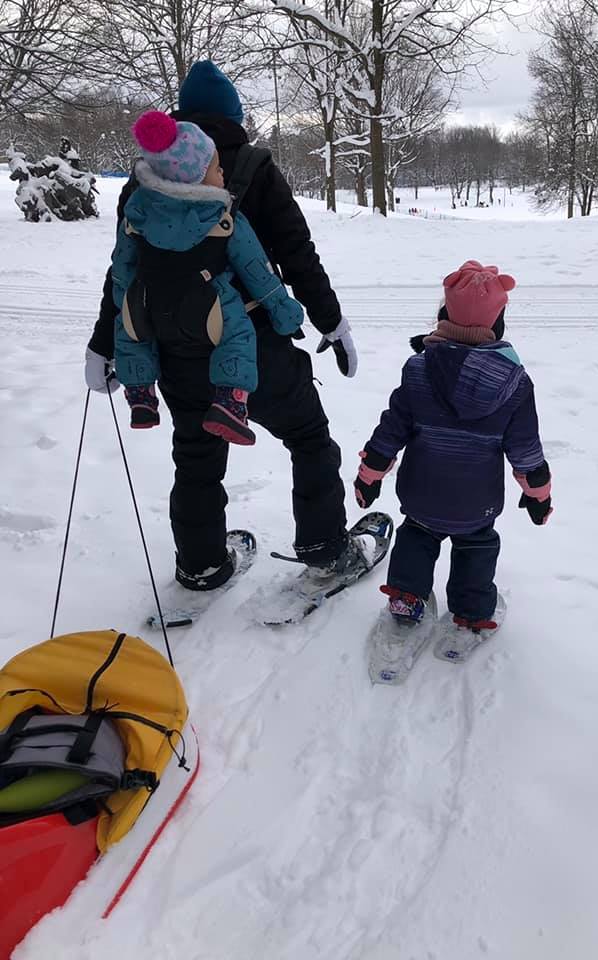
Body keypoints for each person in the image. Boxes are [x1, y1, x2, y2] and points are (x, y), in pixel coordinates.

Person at [86, 61, 358, 591]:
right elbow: (296, 256)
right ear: (234, 117)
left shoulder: (144, 182)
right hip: (257, 351)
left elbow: (123, 274)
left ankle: (201, 562)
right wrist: (331, 322)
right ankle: (326, 549)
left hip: (176, 353)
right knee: (307, 437)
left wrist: (104, 344)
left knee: (195, 457)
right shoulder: (255, 168)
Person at [354, 260, 552, 644]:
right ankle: (473, 613)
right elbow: (527, 452)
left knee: (416, 537)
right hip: (476, 503)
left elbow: (389, 432)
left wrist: (369, 476)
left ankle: (407, 600)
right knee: (477, 547)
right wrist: (538, 496)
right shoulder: (515, 385)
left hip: (421, 494)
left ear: (444, 315)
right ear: (498, 326)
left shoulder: (418, 370)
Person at [113, 110, 304, 445]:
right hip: (209, 308)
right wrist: (283, 311)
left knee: (130, 334)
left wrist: (123, 302)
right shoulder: (223, 217)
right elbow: (257, 270)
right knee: (239, 333)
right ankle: (230, 399)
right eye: (216, 168)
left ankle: (141, 393)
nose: (222, 173)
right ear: (197, 177)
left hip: (148, 305)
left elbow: (122, 266)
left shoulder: (136, 215)